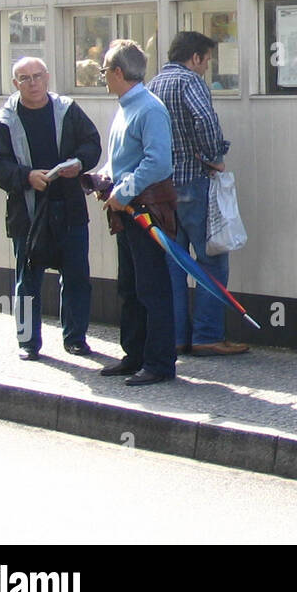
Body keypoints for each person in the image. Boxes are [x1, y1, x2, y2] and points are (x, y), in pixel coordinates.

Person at [0, 57, 102, 360]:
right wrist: (26, 176)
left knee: (77, 276)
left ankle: (75, 339)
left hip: (69, 208)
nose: (33, 83)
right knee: (28, 280)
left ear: (48, 77)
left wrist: (78, 163)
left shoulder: (68, 109)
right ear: (16, 84)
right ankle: (27, 342)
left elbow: (91, 144)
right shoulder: (3, 120)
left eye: (37, 76)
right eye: (25, 78)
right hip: (27, 212)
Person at [149, 31, 248, 356]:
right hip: (193, 181)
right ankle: (207, 335)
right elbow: (204, 119)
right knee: (212, 259)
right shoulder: (190, 82)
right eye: (206, 60)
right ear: (195, 58)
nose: (206, 67)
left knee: (174, 262)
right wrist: (215, 156)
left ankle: (176, 336)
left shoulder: (154, 84)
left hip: (162, 187)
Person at [94, 39, 178, 386]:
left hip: (145, 209)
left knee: (151, 288)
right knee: (129, 286)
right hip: (126, 209)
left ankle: (159, 362)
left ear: (117, 72)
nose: (103, 79)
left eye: (104, 73)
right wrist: (102, 176)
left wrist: (122, 190)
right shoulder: (127, 106)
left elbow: (158, 162)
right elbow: (123, 158)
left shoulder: (148, 108)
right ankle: (135, 354)